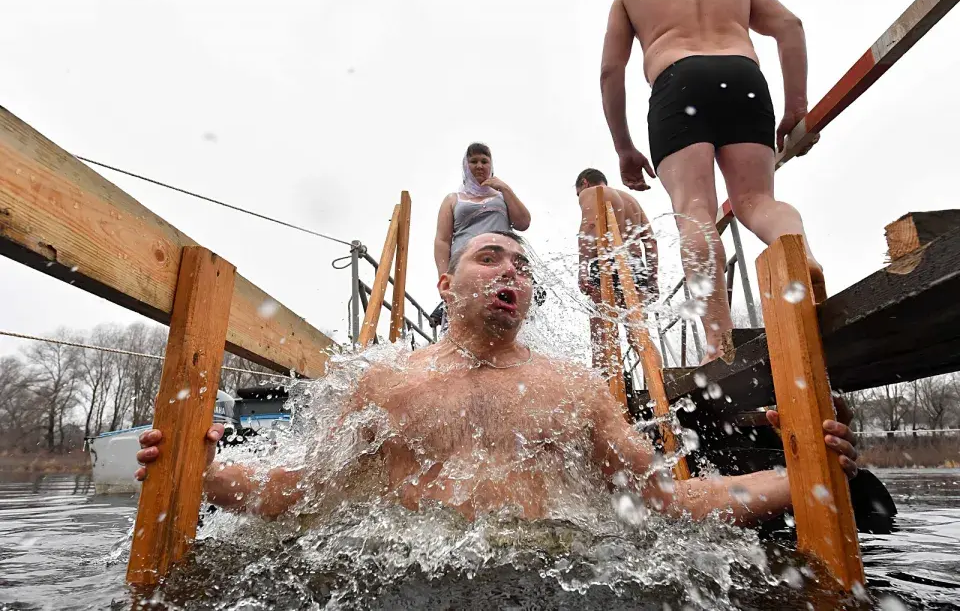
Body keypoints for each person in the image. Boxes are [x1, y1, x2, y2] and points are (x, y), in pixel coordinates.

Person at [135, 231, 858, 525]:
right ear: (445, 283)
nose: (511, 269)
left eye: (521, 265)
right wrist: (197, 472)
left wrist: (806, 477)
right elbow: (305, 494)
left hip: (552, 574)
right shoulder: (383, 384)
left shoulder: (574, 389)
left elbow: (664, 503)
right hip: (410, 579)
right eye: (490, 258)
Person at [599, 0, 823, 363]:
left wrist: (624, 147)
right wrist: (796, 107)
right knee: (757, 201)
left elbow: (609, 72)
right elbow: (790, 26)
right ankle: (800, 254)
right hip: (742, 76)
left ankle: (720, 344)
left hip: (677, 81)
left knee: (695, 210)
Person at [430, 143, 532, 329]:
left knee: (504, 314)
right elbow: (442, 241)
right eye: (473, 161)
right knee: (462, 318)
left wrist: (505, 188)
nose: (479, 166)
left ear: (491, 165)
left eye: (484, 161)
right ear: (465, 165)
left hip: (501, 264)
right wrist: (445, 276)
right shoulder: (453, 199)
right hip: (468, 266)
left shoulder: (502, 197)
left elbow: (523, 223)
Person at [574, 168, 658, 369]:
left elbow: (590, 226)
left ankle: (610, 397)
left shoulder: (591, 192)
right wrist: (653, 279)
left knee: (603, 340)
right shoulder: (631, 200)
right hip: (635, 264)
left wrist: (583, 268)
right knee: (638, 336)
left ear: (584, 183)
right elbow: (651, 242)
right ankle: (662, 384)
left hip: (605, 262)